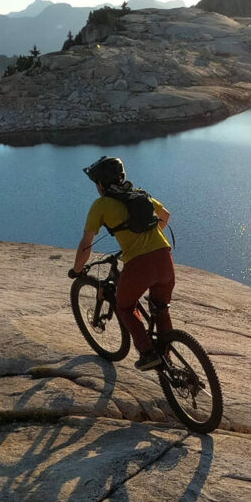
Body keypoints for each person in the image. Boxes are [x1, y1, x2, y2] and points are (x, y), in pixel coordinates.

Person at [69, 155, 173, 369]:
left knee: (124, 306)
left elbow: (86, 244)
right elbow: (165, 216)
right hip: (164, 258)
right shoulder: (140, 196)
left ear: (100, 184)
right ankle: (169, 360)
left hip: (140, 266)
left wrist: (77, 270)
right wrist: (147, 239)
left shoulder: (101, 205)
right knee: (160, 308)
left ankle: (147, 352)